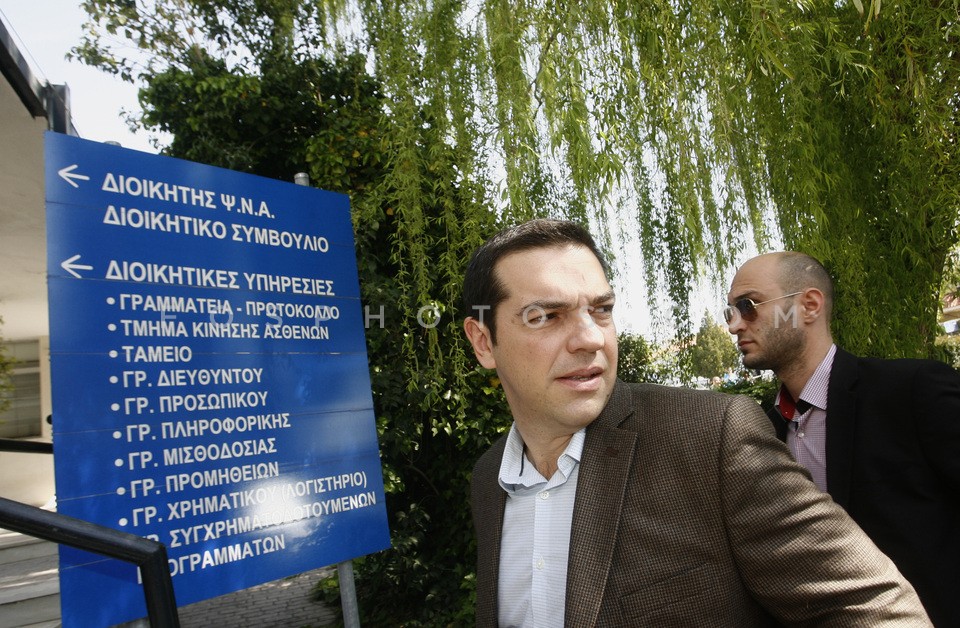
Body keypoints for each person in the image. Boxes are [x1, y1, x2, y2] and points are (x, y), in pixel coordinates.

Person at [462, 219, 930, 627]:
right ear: (484, 342)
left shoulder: (714, 439)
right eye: (546, 316)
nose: (589, 339)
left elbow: (875, 606)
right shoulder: (488, 482)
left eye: (601, 310)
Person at [726, 251, 960, 627]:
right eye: (730, 312)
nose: (735, 325)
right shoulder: (762, 434)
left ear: (810, 305)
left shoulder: (912, 391)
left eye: (748, 305)